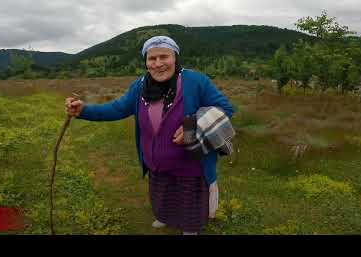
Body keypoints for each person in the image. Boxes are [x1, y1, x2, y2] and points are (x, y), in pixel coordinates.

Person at [65, 36, 234, 235]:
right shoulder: (140, 86)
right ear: (146, 62)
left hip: (191, 165)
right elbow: (117, 108)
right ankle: (164, 217)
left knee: (189, 202)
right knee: (162, 196)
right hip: (157, 163)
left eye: (164, 57)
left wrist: (193, 126)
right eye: (152, 59)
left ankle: (190, 229)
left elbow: (225, 108)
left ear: (175, 58)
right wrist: (84, 110)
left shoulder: (195, 81)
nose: (158, 63)